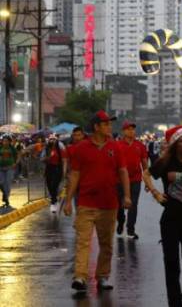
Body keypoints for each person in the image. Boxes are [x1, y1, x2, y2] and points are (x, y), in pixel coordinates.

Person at [64, 110, 131, 293]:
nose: (110, 127)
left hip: (109, 204)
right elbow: (75, 175)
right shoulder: (81, 148)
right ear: (96, 127)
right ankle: (80, 276)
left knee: (106, 243)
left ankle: (102, 276)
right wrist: (68, 201)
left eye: (110, 124)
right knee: (83, 241)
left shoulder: (115, 147)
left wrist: (126, 195)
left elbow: (123, 171)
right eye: (106, 124)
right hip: (86, 203)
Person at [150, 125, 182, 307]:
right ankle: (174, 302)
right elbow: (146, 174)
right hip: (170, 218)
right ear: (175, 144)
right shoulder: (166, 162)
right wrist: (155, 193)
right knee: (172, 263)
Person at [116, 120, 149, 239]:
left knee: (133, 205)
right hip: (119, 180)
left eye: (133, 129)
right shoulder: (117, 145)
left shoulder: (140, 145)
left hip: (135, 179)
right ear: (123, 131)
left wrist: (147, 181)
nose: (131, 131)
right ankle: (120, 220)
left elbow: (144, 163)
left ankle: (131, 229)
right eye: (128, 129)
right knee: (119, 205)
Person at [42, 134, 68, 213]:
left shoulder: (60, 149)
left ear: (56, 140)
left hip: (58, 168)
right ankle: (54, 198)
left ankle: (53, 202)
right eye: (50, 139)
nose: (52, 141)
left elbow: (64, 161)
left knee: (54, 185)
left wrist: (64, 171)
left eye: (53, 139)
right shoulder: (46, 149)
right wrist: (48, 157)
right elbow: (42, 159)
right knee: (49, 185)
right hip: (49, 168)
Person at [0, 134, 20, 208]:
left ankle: (6, 198)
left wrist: (15, 163)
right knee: (1, 182)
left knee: (7, 184)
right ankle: (5, 195)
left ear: (9, 142)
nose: (4, 142)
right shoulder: (0, 147)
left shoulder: (12, 148)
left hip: (9, 168)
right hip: (1, 168)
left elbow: (18, 155)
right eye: (3, 141)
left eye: (6, 141)